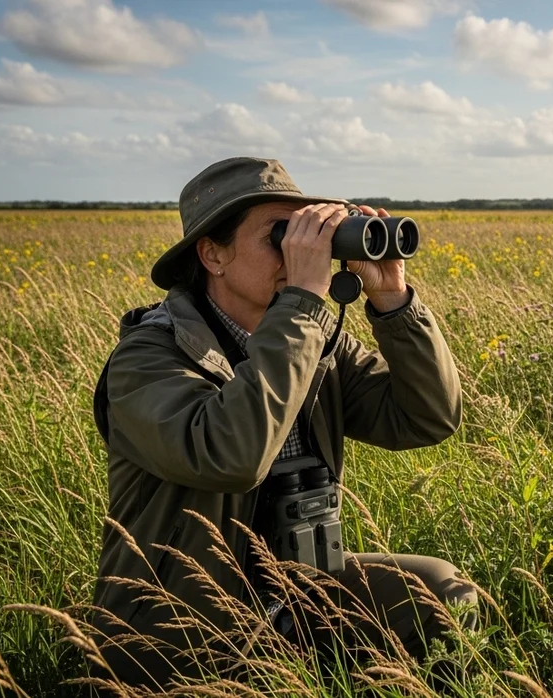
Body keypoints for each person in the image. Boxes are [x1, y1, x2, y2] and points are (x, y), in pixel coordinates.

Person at [88, 156, 476, 690]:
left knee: (441, 592)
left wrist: (393, 301)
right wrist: (302, 305)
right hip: (180, 619)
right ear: (212, 254)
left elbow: (426, 418)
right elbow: (230, 455)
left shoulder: (314, 341)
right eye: (280, 236)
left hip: (296, 588)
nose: (299, 251)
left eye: (305, 233)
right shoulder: (149, 358)